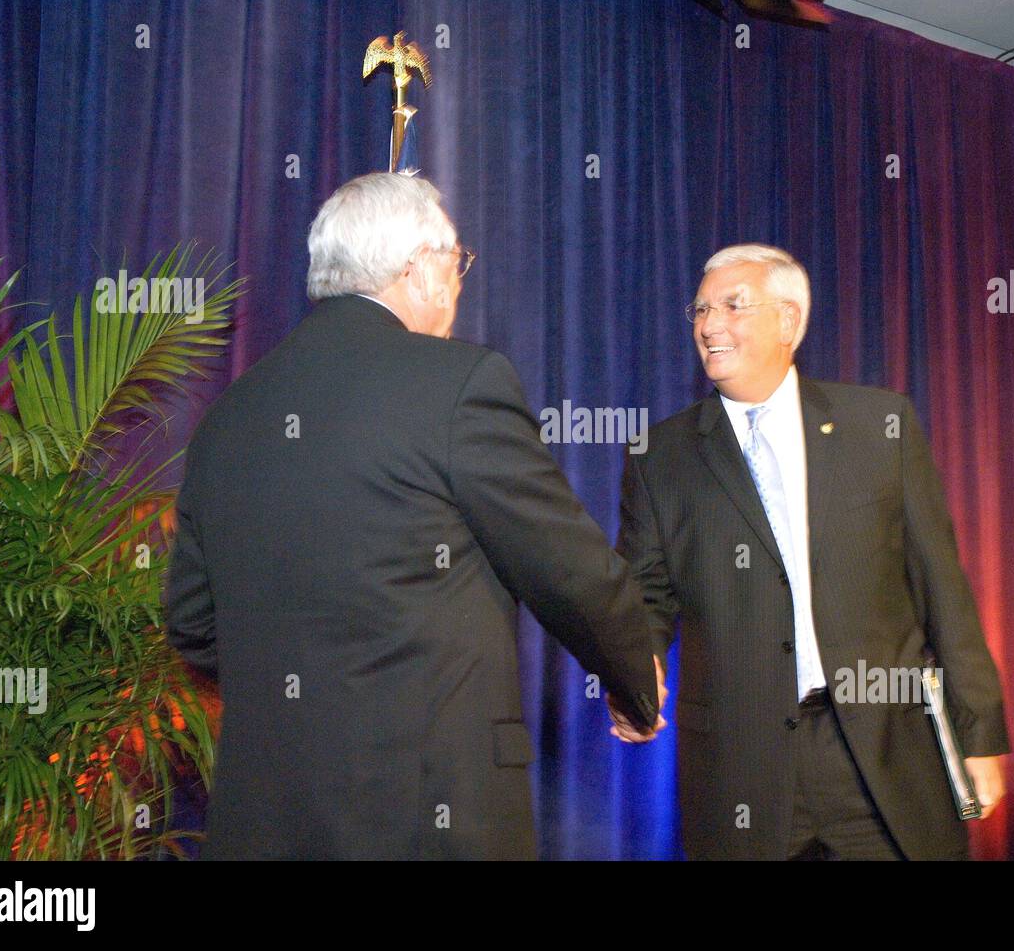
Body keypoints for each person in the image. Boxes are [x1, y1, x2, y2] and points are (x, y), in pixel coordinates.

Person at [164, 172, 660, 860]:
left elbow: (191, 621)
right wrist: (636, 679)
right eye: (456, 264)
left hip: (266, 820)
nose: (457, 284)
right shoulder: (459, 384)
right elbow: (568, 568)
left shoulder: (227, 418)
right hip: (426, 816)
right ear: (419, 267)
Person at [613, 243, 1010, 860]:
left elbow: (942, 589)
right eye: (701, 308)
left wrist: (979, 734)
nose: (710, 324)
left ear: (790, 321)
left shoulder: (880, 426)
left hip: (882, 756)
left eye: (733, 306)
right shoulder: (660, 456)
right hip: (740, 769)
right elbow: (645, 597)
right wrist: (633, 669)